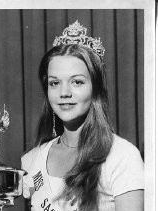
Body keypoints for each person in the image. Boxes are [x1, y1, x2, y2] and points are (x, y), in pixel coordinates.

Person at [21, 20, 144, 211]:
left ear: (95, 88)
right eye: (54, 83)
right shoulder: (32, 160)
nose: (64, 92)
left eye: (77, 82)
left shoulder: (122, 156)